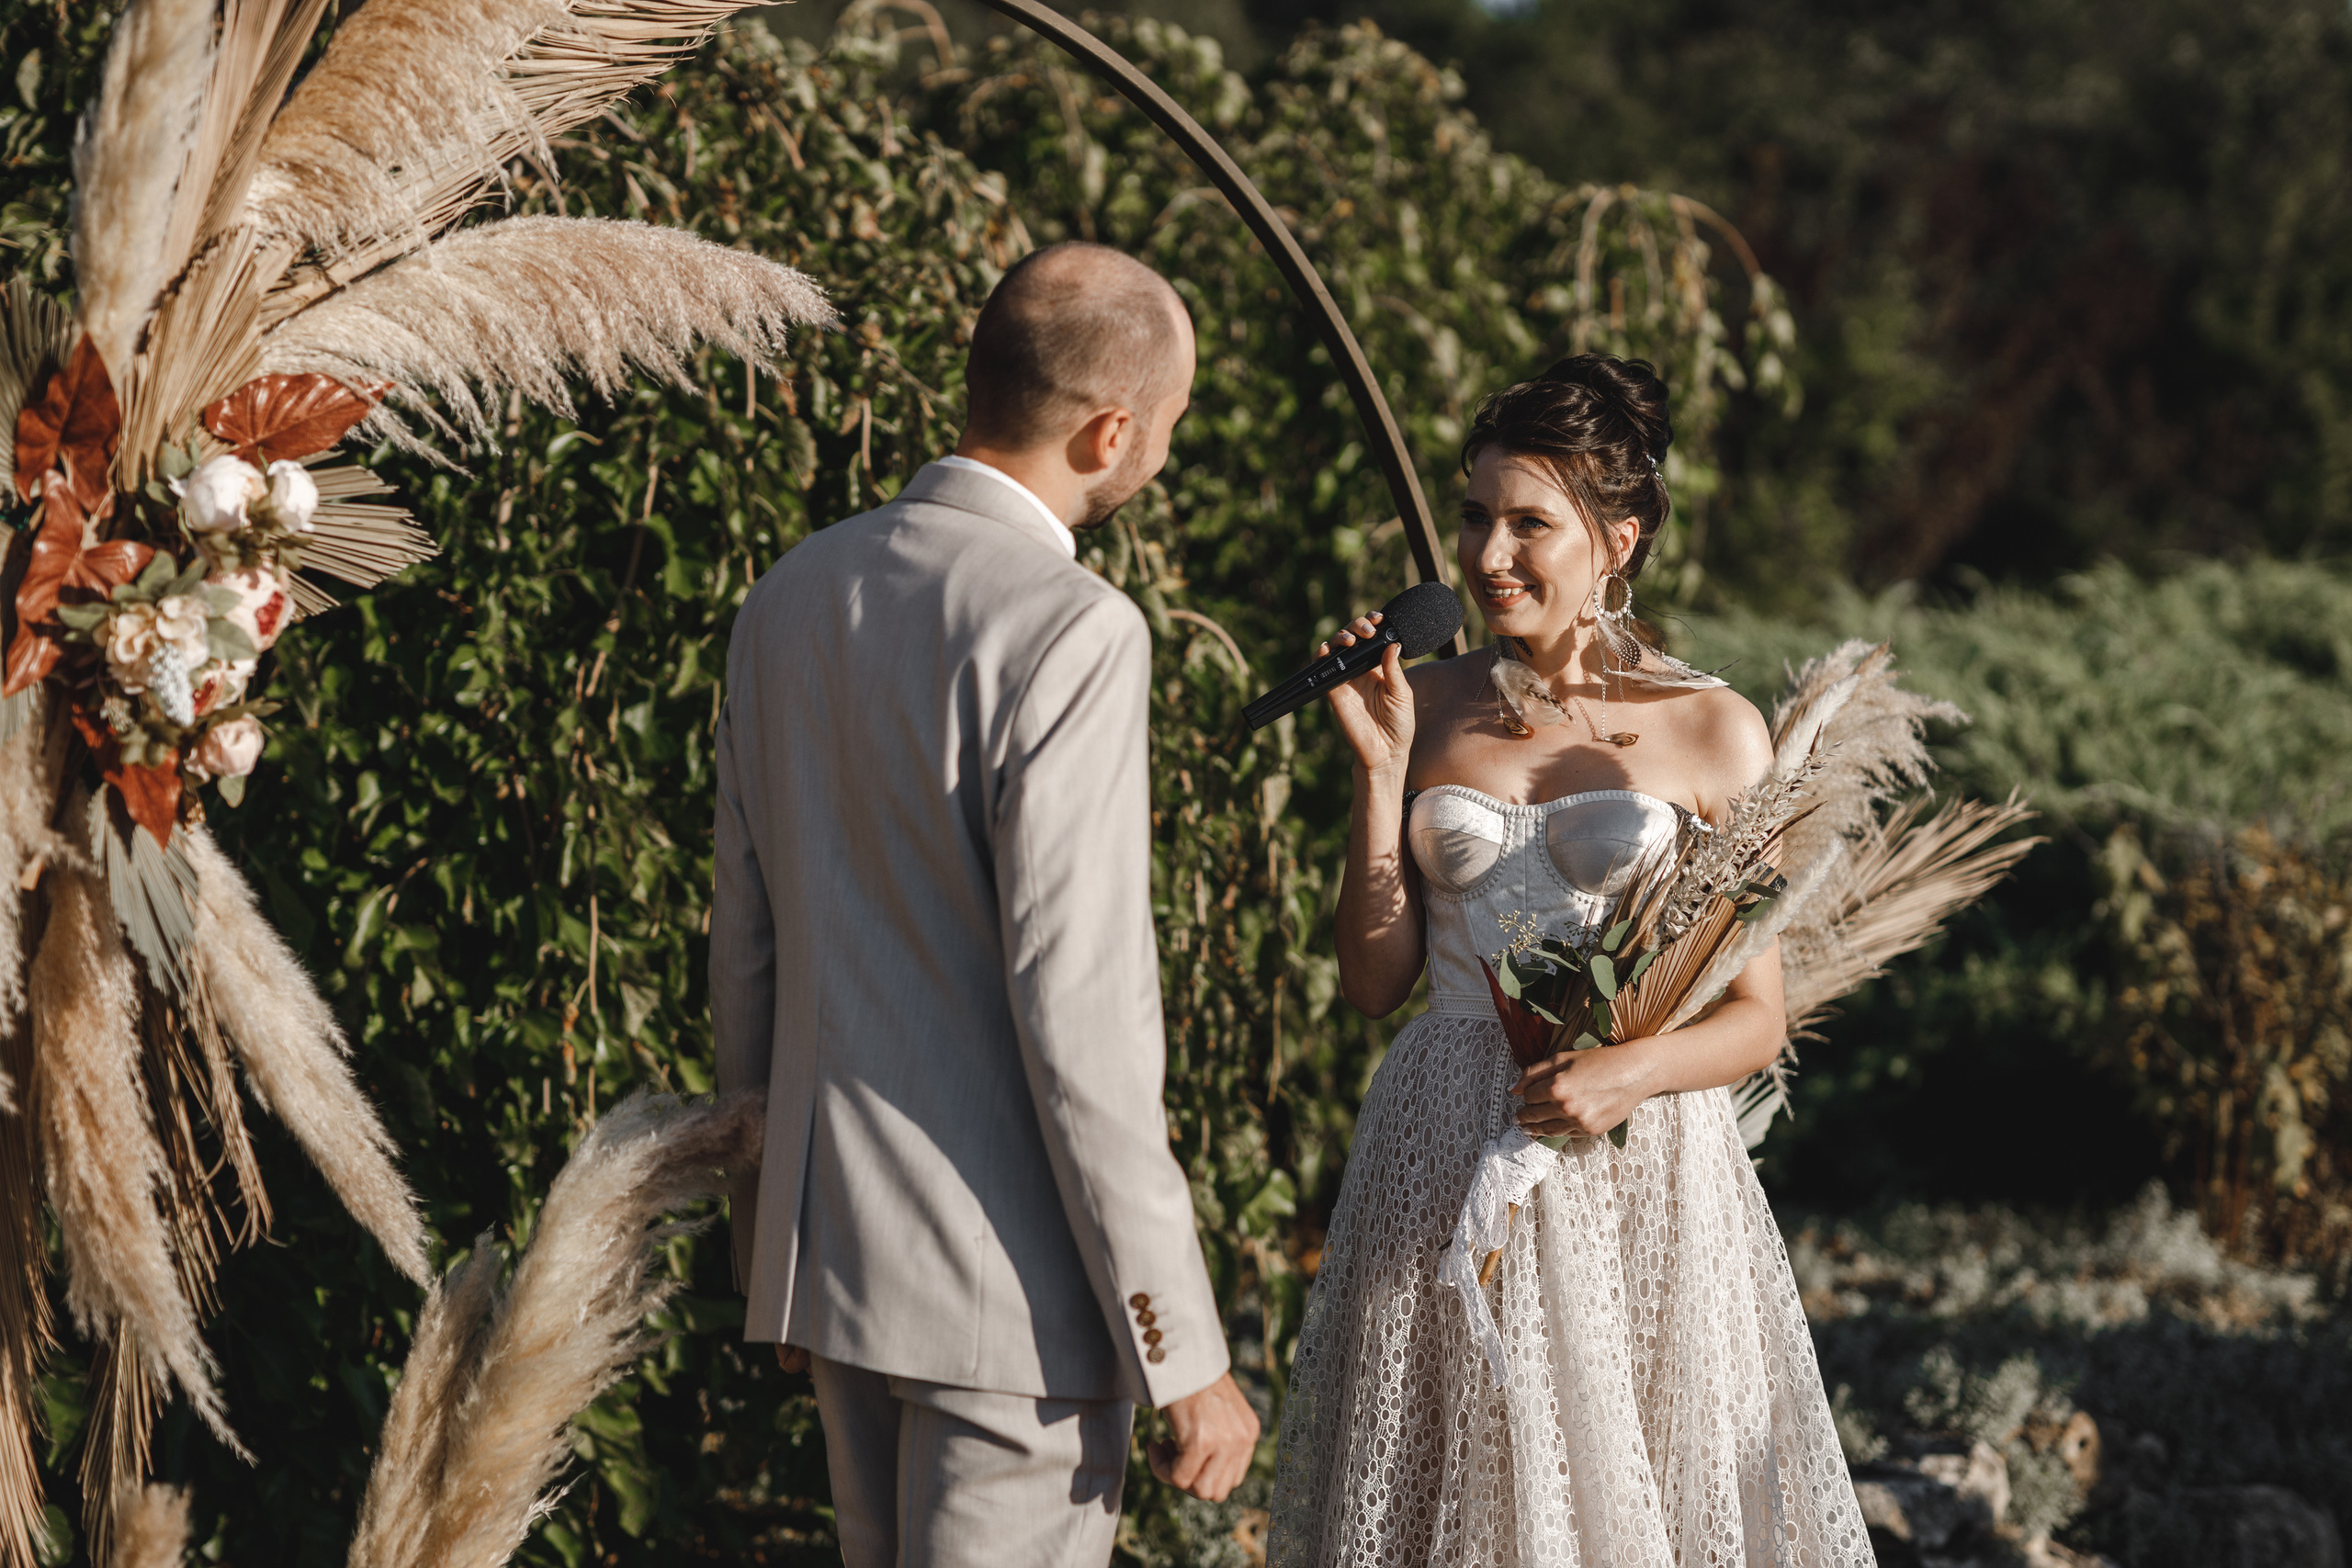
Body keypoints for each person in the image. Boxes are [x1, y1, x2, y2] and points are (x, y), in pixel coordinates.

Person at [1268, 356, 1871, 1565]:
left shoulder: (1712, 727)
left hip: (1632, 1168)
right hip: (1443, 1141)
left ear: (1618, 540)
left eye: (1529, 524)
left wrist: (1628, 1073)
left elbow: (1757, 1017)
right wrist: (1380, 774)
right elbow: (1374, 985)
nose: (1490, 555)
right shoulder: (1421, 706)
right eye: (1476, 516)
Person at [712, 241, 1260, 1567]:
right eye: (1172, 423)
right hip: (1017, 1308)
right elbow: (1083, 1020)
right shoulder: (1074, 629)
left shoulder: (791, 596)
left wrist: (769, 1245)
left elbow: (746, 955)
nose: (1165, 451)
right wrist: (1179, 1345)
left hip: (834, 1268)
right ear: (1112, 430)